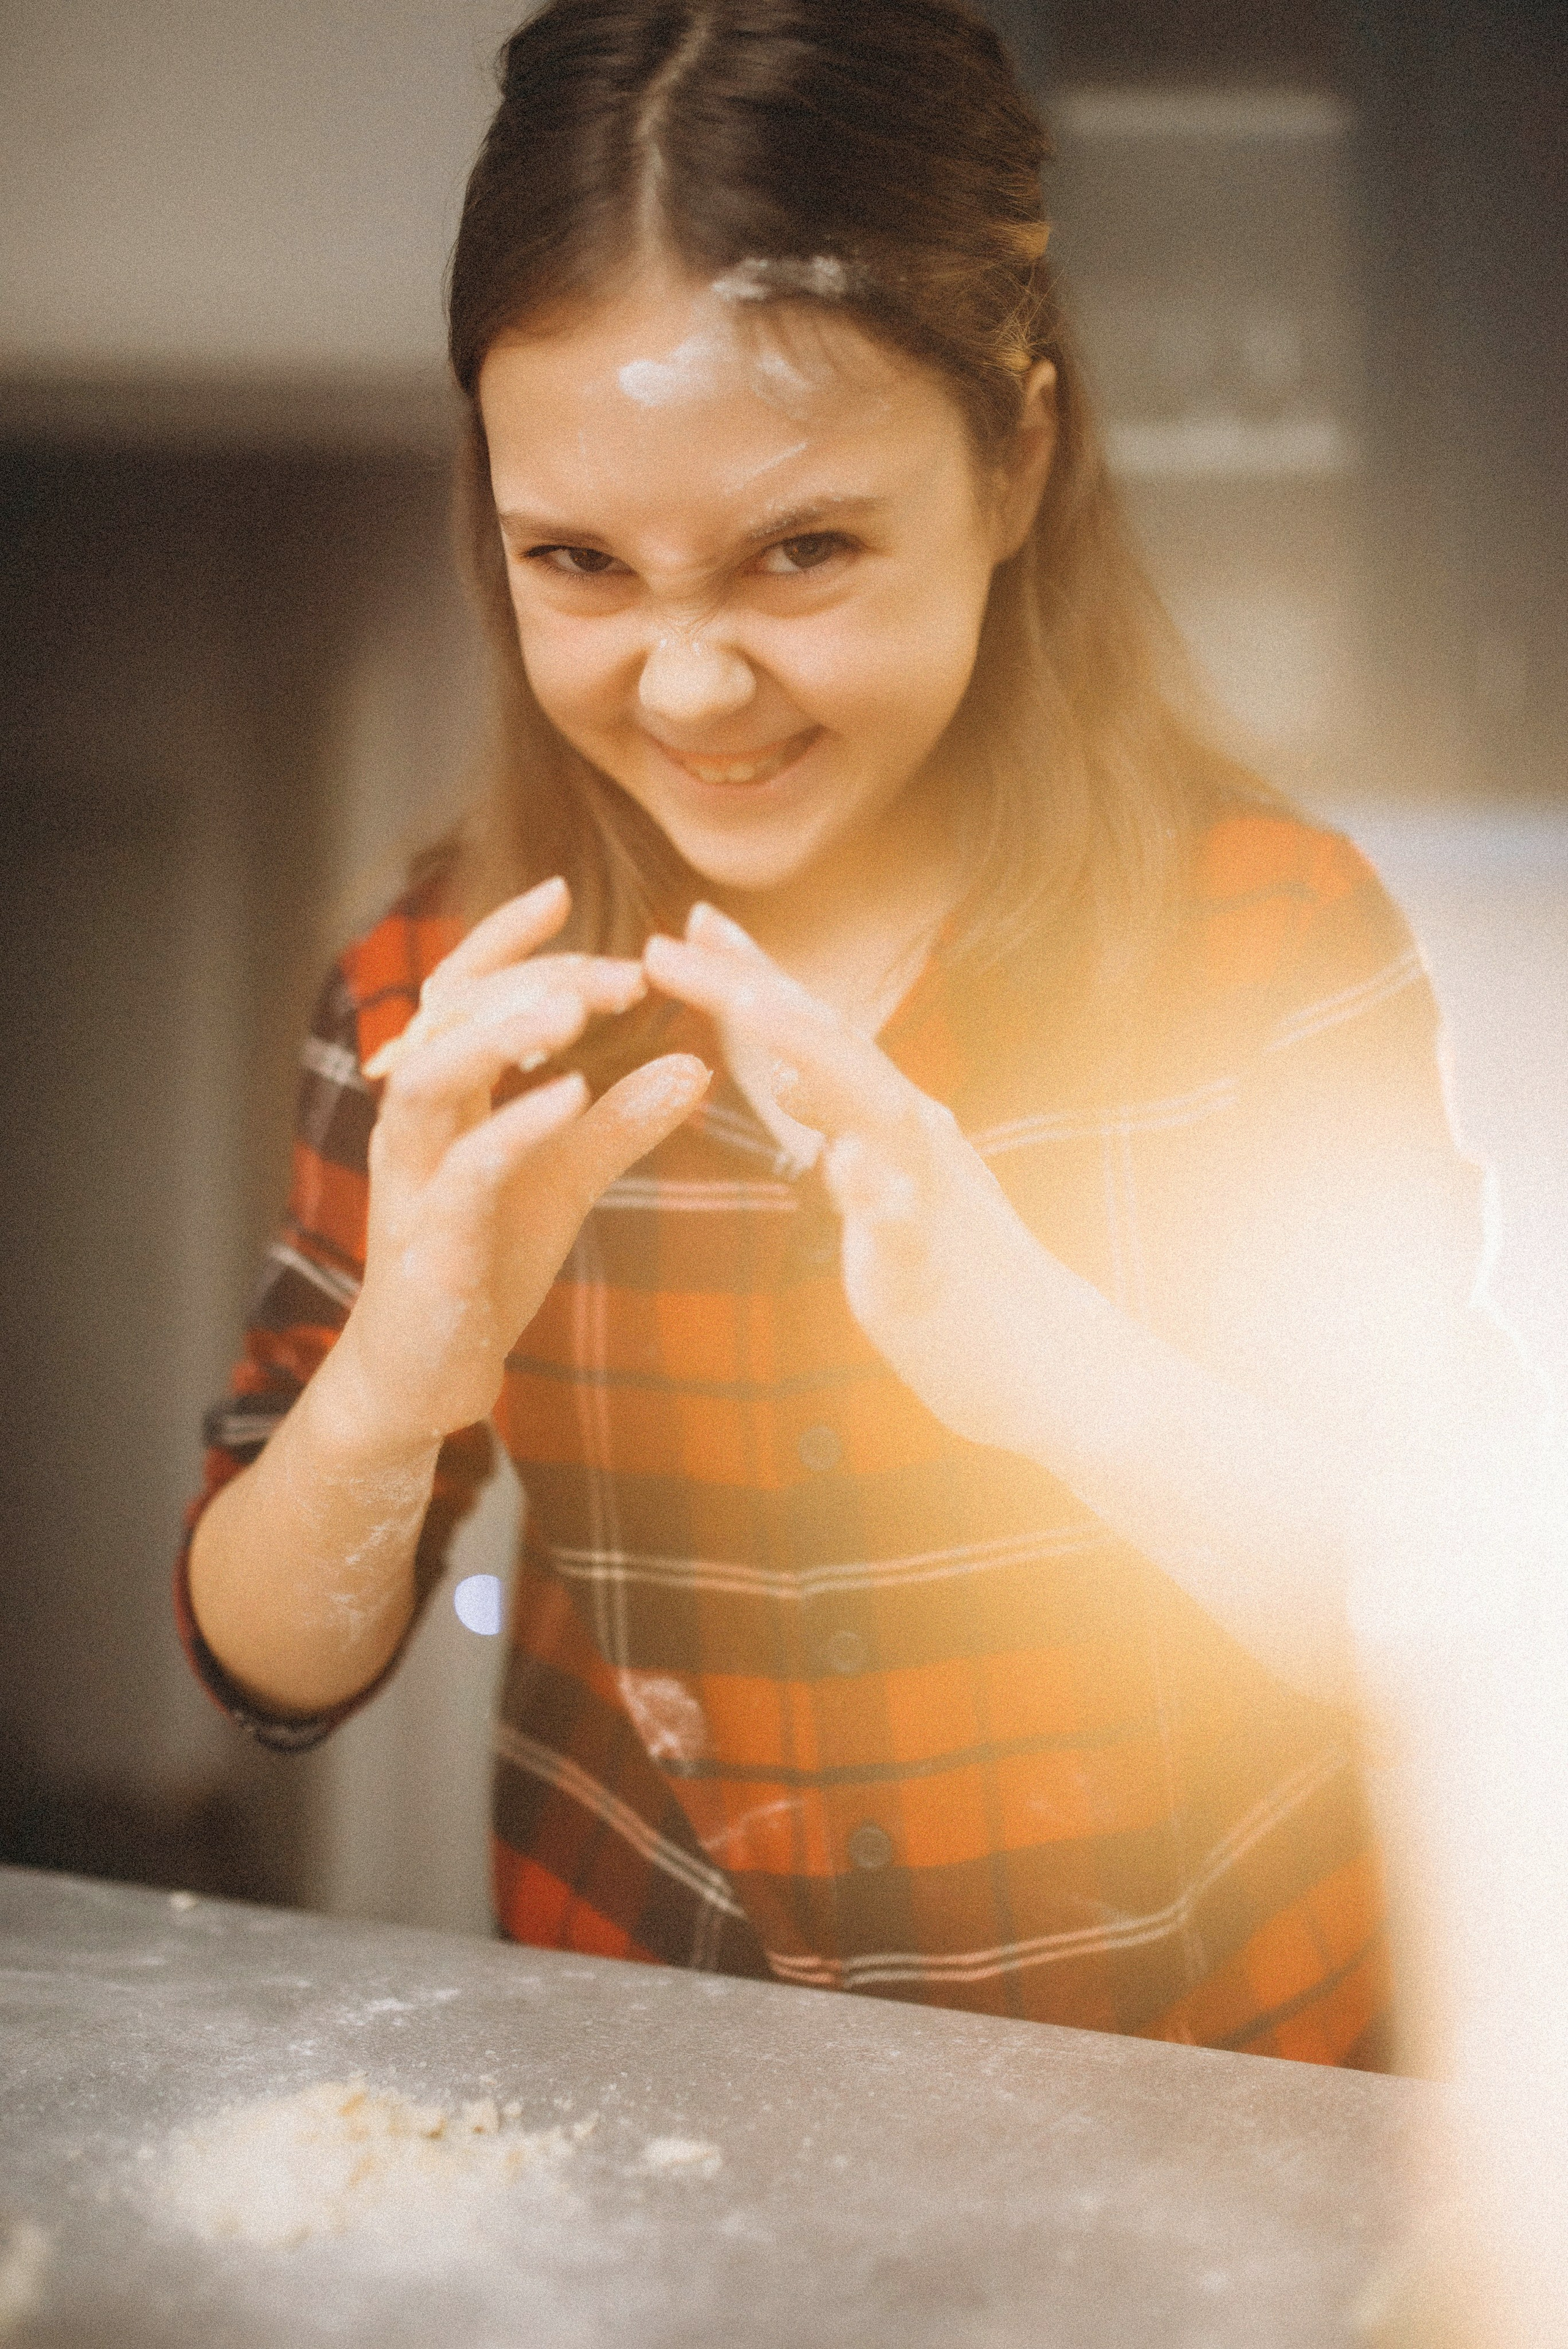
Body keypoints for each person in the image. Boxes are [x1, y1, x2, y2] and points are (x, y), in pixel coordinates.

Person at [178, 0, 1526, 2064]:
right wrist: (392, 1383)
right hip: (661, 2127)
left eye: (805, 549)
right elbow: (268, 1653)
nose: (695, 682)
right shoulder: (432, 991)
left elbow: (1451, 1624)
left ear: (1018, 463)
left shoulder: (1271, 945)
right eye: (582, 564)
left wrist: (1047, 1361)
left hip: (1219, 2130)